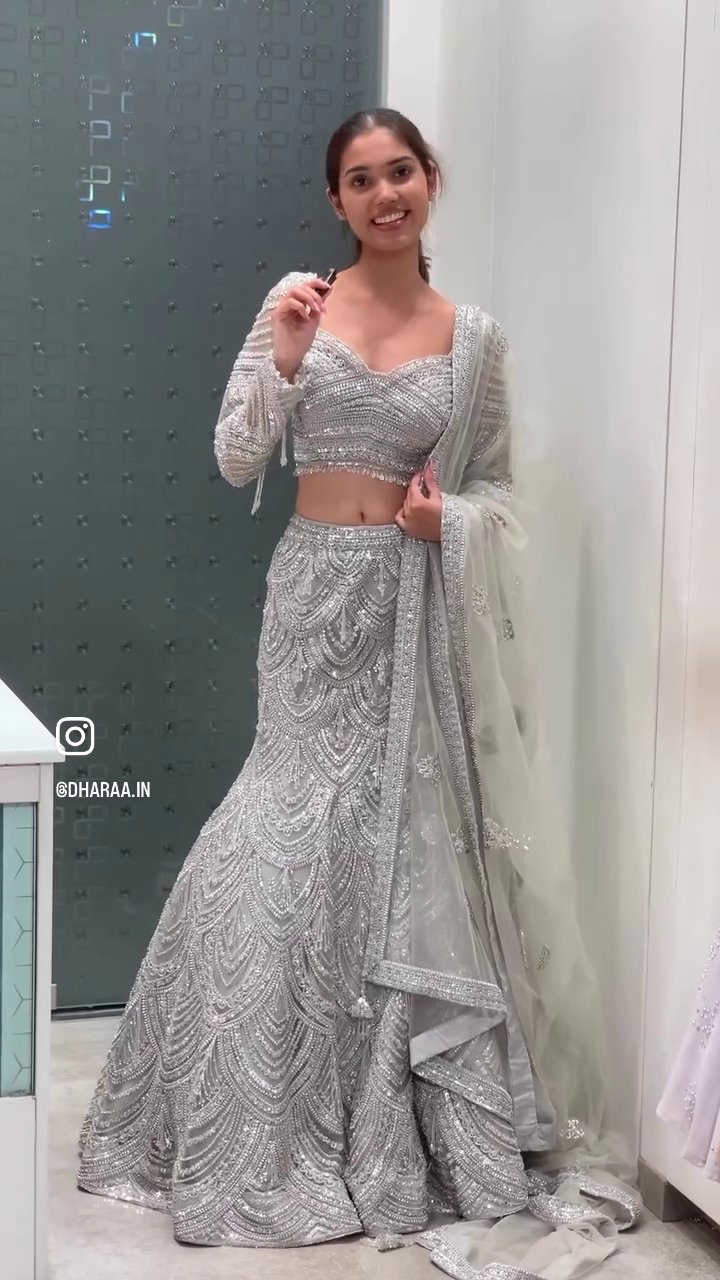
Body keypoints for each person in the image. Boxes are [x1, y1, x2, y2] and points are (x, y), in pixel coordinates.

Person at [78, 108, 640, 1276]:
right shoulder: (298, 305)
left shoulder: (474, 339)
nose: (386, 194)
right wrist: (284, 360)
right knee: (276, 826)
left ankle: (391, 1105)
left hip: (408, 603)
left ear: (432, 181)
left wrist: (450, 523)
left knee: (394, 838)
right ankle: (242, 1116)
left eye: (401, 173)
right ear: (334, 199)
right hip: (310, 598)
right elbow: (236, 455)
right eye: (361, 179)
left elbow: (502, 493)